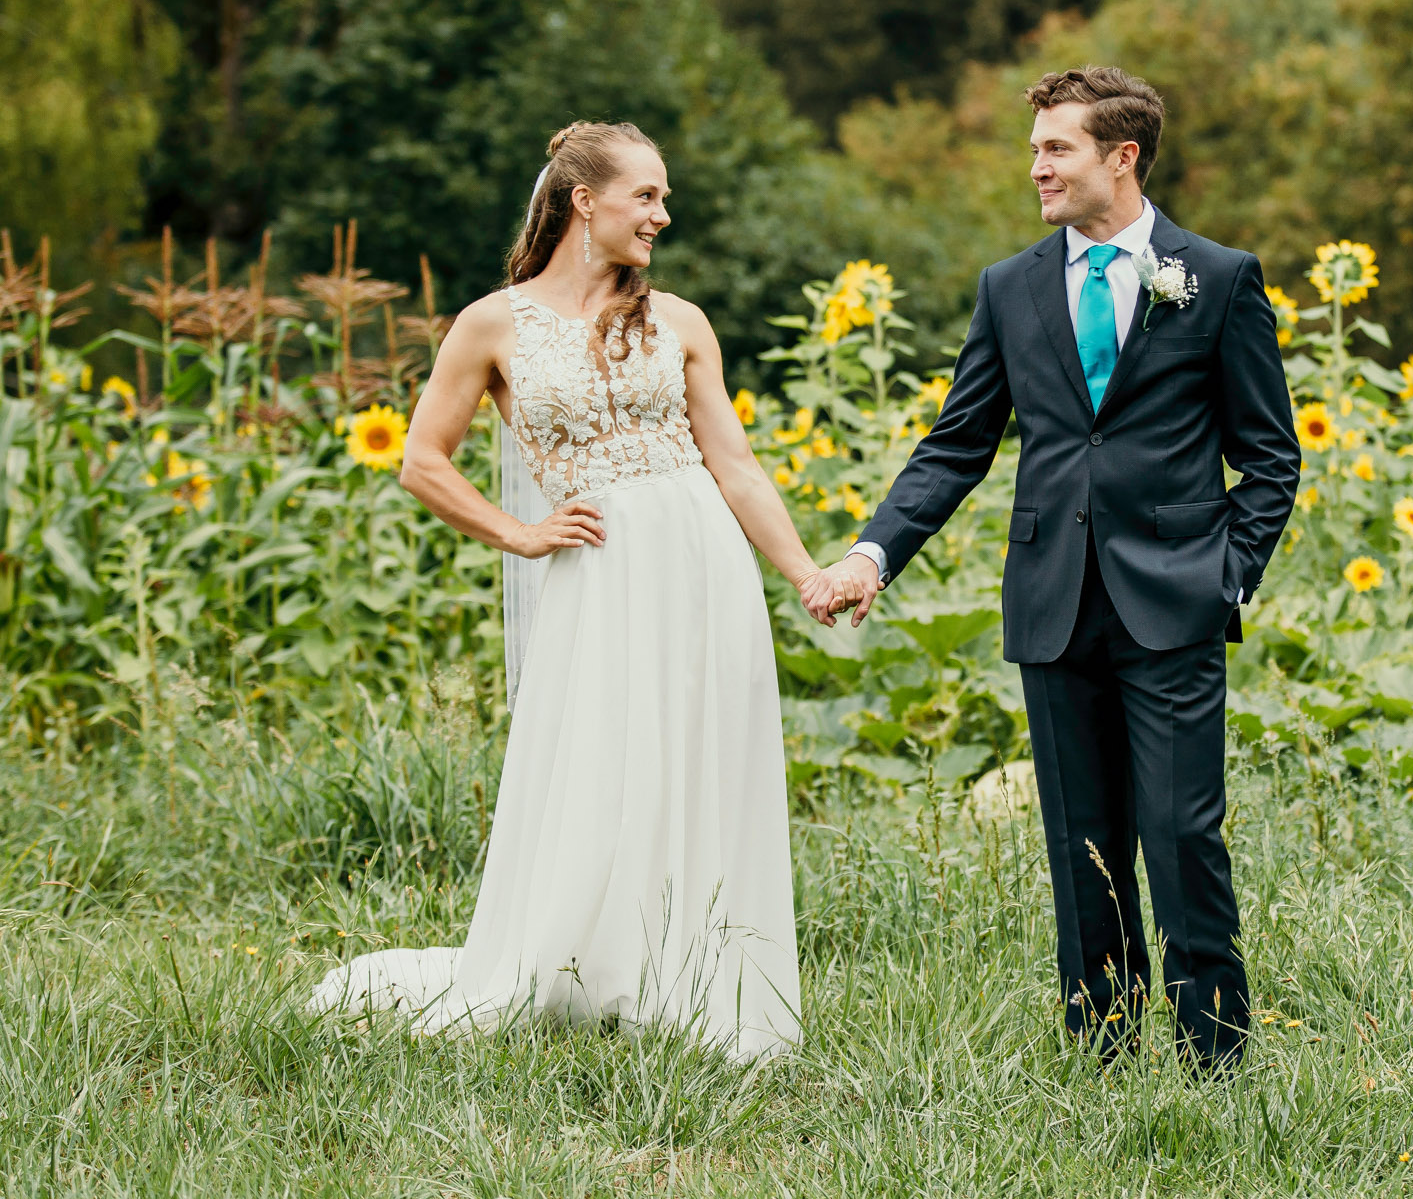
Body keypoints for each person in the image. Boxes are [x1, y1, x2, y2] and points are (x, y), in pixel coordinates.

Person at [310, 121, 837, 1057]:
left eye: (664, 198)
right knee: (600, 762)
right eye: (647, 196)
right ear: (584, 201)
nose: (662, 215)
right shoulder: (491, 324)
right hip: (593, 572)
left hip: (701, 564)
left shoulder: (680, 322)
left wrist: (803, 574)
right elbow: (423, 462)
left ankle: (697, 982)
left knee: (698, 759)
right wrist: (519, 534)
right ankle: (583, 968)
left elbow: (739, 468)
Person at [816, 67, 1300, 1070]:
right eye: (1034, 146)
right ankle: (1101, 1052)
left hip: (1175, 602)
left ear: (1121, 156)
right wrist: (873, 552)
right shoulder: (1009, 287)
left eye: (1056, 147)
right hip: (1053, 604)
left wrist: (1228, 575)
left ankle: (1215, 1054)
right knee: (1082, 845)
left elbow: (1271, 457)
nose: (1035, 164)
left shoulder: (1217, 276)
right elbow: (957, 445)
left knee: (1180, 836)